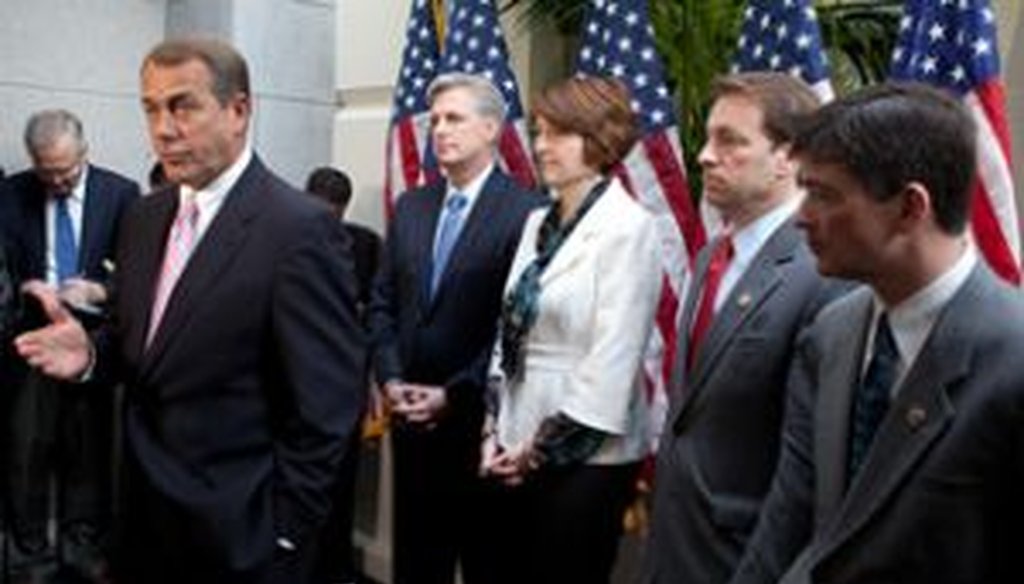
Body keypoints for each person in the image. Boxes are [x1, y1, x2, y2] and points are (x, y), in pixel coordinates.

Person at [14, 37, 365, 584]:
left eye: (183, 105)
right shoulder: (143, 217)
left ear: (239, 110)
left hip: (241, 540)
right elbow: (149, 347)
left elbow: (326, 413)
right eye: (151, 108)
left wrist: (283, 532)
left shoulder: (300, 230)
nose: (163, 128)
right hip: (141, 530)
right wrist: (92, 356)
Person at [729, 83, 1024, 584]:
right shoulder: (830, 335)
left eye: (822, 194)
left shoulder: (1012, 362)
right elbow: (789, 526)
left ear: (910, 207)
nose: (801, 217)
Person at [644, 73, 842, 584]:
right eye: (709, 138)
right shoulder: (712, 254)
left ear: (789, 158)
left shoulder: (824, 273)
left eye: (730, 141)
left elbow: (810, 467)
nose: (706, 156)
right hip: (674, 542)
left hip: (746, 558)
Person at [478, 76, 660, 584]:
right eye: (538, 132)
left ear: (599, 138)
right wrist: (494, 429)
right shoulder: (536, 222)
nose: (540, 146)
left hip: (587, 458)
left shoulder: (629, 227)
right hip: (512, 439)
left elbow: (613, 364)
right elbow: (508, 329)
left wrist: (536, 452)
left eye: (557, 134)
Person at [368, 72, 544, 584]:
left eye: (455, 118)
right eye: (436, 120)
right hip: (410, 424)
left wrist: (455, 392)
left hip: (480, 427)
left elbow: (516, 326)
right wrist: (390, 377)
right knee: (418, 562)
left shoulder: (526, 212)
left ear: (491, 128)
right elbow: (382, 304)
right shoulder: (412, 206)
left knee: (489, 562)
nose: (440, 130)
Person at [0, 109, 139, 577]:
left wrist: (98, 291)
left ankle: (83, 556)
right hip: (30, 342)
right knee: (26, 457)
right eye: (47, 172)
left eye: (66, 171)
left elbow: (140, 280)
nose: (58, 182)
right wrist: (26, 288)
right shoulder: (10, 194)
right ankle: (28, 561)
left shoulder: (121, 195)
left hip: (91, 343)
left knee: (88, 458)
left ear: (84, 152)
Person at [302, 166, 381, 584]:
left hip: (345, 385)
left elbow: (378, 308)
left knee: (339, 484)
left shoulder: (366, 245)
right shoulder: (286, 238)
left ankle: (332, 568)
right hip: (304, 385)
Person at [306, 166, 382, 319]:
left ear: (344, 208)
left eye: (334, 214)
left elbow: (379, 302)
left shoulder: (368, 245)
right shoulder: (286, 241)